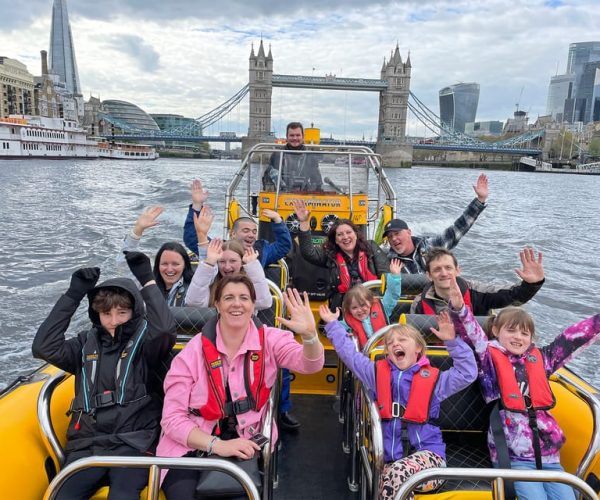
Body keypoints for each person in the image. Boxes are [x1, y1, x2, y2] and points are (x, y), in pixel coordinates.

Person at [157, 277, 325, 499]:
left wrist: (310, 336)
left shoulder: (271, 340)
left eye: (244, 298)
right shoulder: (192, 352)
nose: (237, 303)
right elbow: (172, 419)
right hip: (188, 446)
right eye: (228, 298)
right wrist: (218, 446)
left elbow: (310, 365)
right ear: (216, 305)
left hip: (246, 442)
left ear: (253, 305)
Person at [32, 252, 176, 500]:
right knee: (61, 495)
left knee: (122, 494)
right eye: (106, 314)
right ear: (96, 314)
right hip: (88, 444)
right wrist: (73, 295)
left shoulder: (147, 344)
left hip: (134, 442)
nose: (113, 321)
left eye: (122, 313)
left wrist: (147, 279)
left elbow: (165, 329)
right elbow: (44, 347)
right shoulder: (83, 344)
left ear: (134, 312)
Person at [447, 276, 600, 500]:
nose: (518, 337)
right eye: (511, 331)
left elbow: (572, 338)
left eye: (524, 333)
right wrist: (459, 308)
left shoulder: (543, 359)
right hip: (513, 457)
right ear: (496, 331)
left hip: (550, 458)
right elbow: (471, 332)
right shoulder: (488, 358)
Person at [319, 305, 477, 500]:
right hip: (389, 461)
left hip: (429, 461)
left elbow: (467, 373)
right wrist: (333, 325)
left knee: (394, 475)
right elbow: (350, 356)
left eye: (402, 340)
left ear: (418, 348)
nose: (395, 344)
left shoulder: (435, 382)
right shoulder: (376, 374)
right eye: (390, 343)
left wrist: (452, 342)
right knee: (389, 476)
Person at [293, 198, 390, 310]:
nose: (345, 237)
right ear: (336, 240)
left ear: (356, 234)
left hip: (372, 304)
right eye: (340, 235)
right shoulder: (331, 255)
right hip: (343, 307)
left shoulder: (371, 248)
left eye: (349, 232)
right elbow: (308, 252)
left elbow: (386, 275)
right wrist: (304, 222)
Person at [384, 173, 489, 274]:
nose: (393, 239)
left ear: (408, 232)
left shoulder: (429, 246)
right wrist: (395, 278)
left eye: (397, 233)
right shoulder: (389, 263)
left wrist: (480, 200)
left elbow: (457, 229)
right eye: (390, 236)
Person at [183, 179, 292, 267]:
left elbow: (284, 245)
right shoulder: (218, 248)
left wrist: (278, 221)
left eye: (254, 232)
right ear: (232, 234)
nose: (251, 235)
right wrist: (196, 205)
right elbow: (191, 238)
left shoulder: (262, 251)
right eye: (245, 230)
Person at [410, 247, 545, 318]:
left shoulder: (479, 292)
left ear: (458, 270)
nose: (444, 273)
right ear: (429, 275)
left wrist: (532, 284)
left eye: (448, 268)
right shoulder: (419, 304)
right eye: (437, 269)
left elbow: (515, 297)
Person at [119, 205, 197, 306]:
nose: (169, 269)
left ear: (185, 265)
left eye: (175, 264)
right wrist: (137, 230)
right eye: (164, 264)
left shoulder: (194, 290)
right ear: (157, 265)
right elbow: (126, 263)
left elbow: (206, 274)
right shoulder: (147, 285)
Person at [184, 238, 272, 310]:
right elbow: (193, 302)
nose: (227, 267)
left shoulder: (251, 282)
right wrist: (209, 263)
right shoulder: (210, 282)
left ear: (242, 262)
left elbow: (264, 303)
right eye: (222, 261)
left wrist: (252, 266)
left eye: (233, 261)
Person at [340, 258, 403, 348]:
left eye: (363, 305)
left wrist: (394, 276)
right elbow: (336, 330)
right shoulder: (347, 320)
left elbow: (392, 294)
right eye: (354, 308)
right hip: (363, 357)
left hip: (386, 352)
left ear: (370, 302)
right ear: (349, 309)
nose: (360, 310)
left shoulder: (383, 307)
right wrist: (343, 335)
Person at [262, 122, 322, 192]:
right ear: (287, 137)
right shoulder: (277, 155)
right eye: (292, 135)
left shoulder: (310, 157)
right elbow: (267, 178)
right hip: (280, 196)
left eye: (298, 135)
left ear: (303, 137)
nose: (295, 138)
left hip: (303, 197)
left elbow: (317, 182)